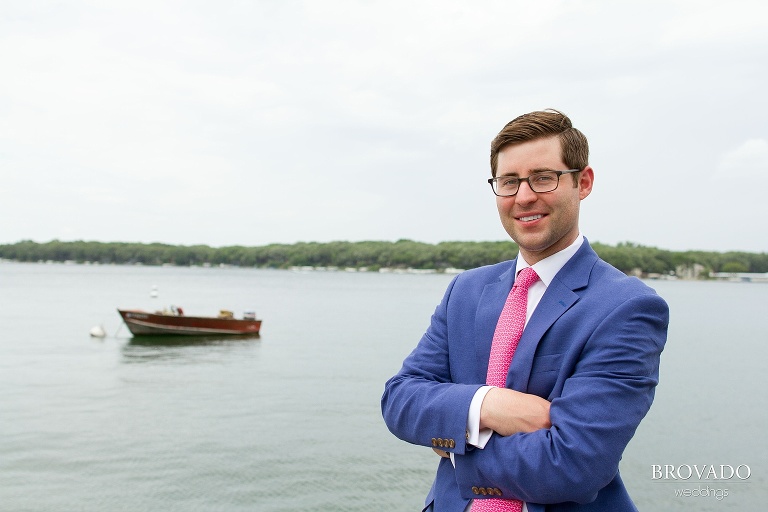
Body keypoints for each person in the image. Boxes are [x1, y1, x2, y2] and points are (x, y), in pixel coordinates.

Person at [381, 109, 669, 512]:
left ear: (582, 182)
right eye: (509, 181)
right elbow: (400, 401)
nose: (524, 196)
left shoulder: (627, 307)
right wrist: (488, 405)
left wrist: (453, 444)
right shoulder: (465, 291)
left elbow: (574, 466)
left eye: (543, 178)